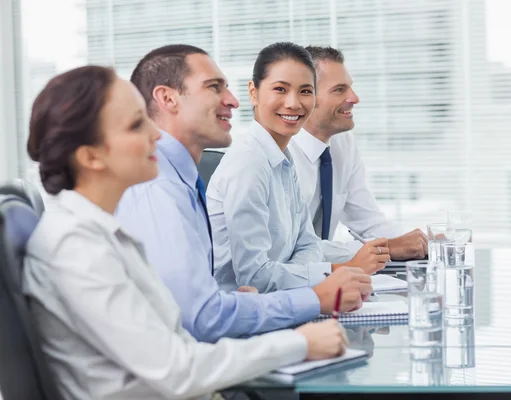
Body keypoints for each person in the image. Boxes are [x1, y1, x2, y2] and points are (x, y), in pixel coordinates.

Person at [22, 65, 348, 400]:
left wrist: (239, 306)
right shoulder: (77, 247)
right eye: (136, 125)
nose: (156, 134)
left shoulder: (101, 230)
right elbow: (175, 370)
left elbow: (172, 333)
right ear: (91, 156)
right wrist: (299, 343)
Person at [115, 44, 372, 343]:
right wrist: (315, 297)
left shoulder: (186, 179)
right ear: (167, 98)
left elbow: (308, 245)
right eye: (214, 87)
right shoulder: (160, 187)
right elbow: (203, 318)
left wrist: (259, 298)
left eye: (305, 91)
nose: (232, 101)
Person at [207, 42, 389, 294]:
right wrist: (336, 272)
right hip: (243, 315)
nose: (293, 103)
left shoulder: (282, 157)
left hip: (281, 300)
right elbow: (255, 277)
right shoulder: (248, 163)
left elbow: (308, 245)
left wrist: (294, 271)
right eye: (280, 89)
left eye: (305, 91)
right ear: (253, 92)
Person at [287, 46, 428, 264]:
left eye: (350, 87)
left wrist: (418, 244)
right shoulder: (280, 155)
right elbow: (291, 250)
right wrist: (385, 249)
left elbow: (368, 221)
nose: (354, 98)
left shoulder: (341, 143)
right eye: (339, 90)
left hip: (326, 278)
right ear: (306, 98)